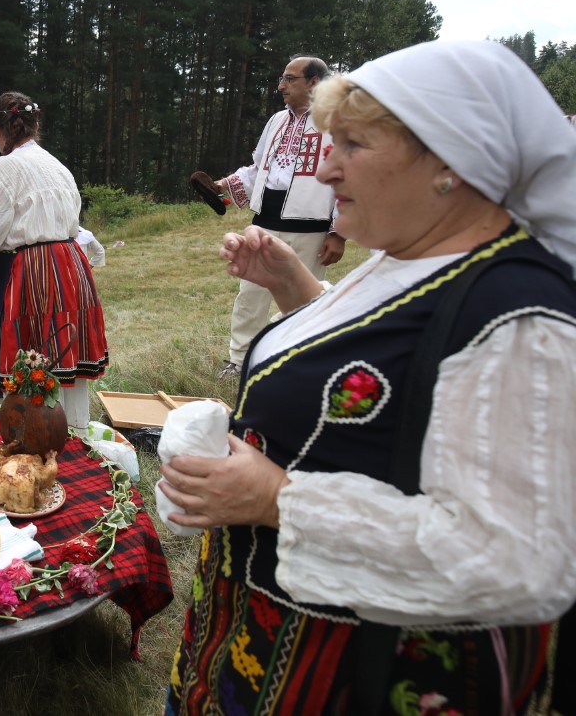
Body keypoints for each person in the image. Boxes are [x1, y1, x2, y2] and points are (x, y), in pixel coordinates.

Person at [159, 39, 576, 713]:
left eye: (351, 144)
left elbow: (517, 559)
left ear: (448, 159)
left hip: (367, 674)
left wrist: (278, 501)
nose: (325, 168)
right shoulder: (411, 258)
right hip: (269, 635)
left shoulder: (520, 317)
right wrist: (297, 290)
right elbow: (395, 365)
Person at [0, 91, 108, 428]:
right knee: (62, 365)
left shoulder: (2, 170)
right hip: (71, 269)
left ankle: (29, 444)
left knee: (30, 368)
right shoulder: (58, 167)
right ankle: (71, 438)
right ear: (36, 127)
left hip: (33, 274)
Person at [210, 55, 346, 379]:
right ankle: (240, 361)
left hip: (310, 225)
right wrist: (224, 186)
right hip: (265, 221)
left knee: (305, 297)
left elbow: (346, 175)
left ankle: (299, 364)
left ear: (314, 81)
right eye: (283, 79)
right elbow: (259, 168)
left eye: (290, 79)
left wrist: (338, 232)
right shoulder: (275, 121)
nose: (281, 86)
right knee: (250, 295)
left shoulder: (337, 122)